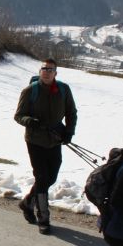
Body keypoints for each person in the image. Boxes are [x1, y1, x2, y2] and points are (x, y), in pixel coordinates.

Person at [13, 58, 78, 234]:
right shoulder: (30, 91)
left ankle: (27, 203)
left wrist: (69, 133)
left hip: (55, 140)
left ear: (56, 73)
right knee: (42, 178)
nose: (47, 71)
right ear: (40, 71)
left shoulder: (64, 90)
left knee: (51, 177)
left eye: (51, 69)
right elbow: (18, 115)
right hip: (35, 140)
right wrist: (30, 121)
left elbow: (71, 112)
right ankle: (43, 217)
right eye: (44, 68)